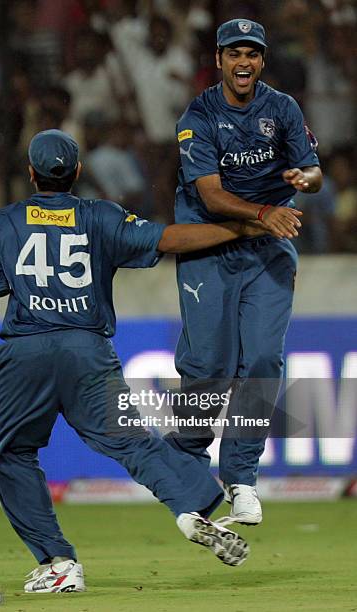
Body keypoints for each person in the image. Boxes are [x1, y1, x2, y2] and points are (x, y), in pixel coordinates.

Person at [0, 129, 267, 594]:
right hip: (88, 354)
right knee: (135, 444)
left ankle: (59, 563)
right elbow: (171, 239)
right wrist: (244, 226)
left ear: (30, 173)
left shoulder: (2, 223)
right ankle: (190, 506)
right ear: (78, 173)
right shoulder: (99, 216)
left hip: (25, 354)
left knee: (12, 455)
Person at [170, 19, 322, 526]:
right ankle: (187, 457)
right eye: (234, 53)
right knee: (210, 366)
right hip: (211, 243)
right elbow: (211, 195)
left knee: (260, 359)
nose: (244, 62)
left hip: (268, 248)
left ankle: (241, 480)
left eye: (252, 54)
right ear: (218, 59)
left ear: (262, 61)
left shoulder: (282, 108)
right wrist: (261, 214)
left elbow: (314, 171)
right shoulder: (198, 116)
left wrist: (306, 177)